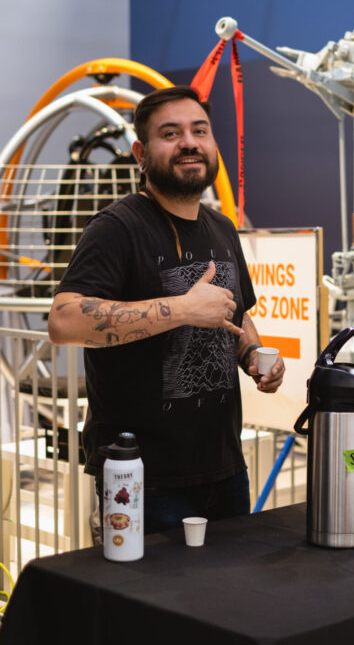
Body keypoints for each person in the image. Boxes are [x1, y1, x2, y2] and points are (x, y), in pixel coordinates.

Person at [48, 85, 285, 532]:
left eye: (200, 130)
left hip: (225, 467)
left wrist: (254, 357)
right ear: (141, 151)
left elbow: (235, 313)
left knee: (230, 599)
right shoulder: (116, 228)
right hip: (141, 478)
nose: (189, 142)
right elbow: (63, 320)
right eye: (170, 133)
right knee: (143, 602)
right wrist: (180, 309)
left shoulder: (221, 228)